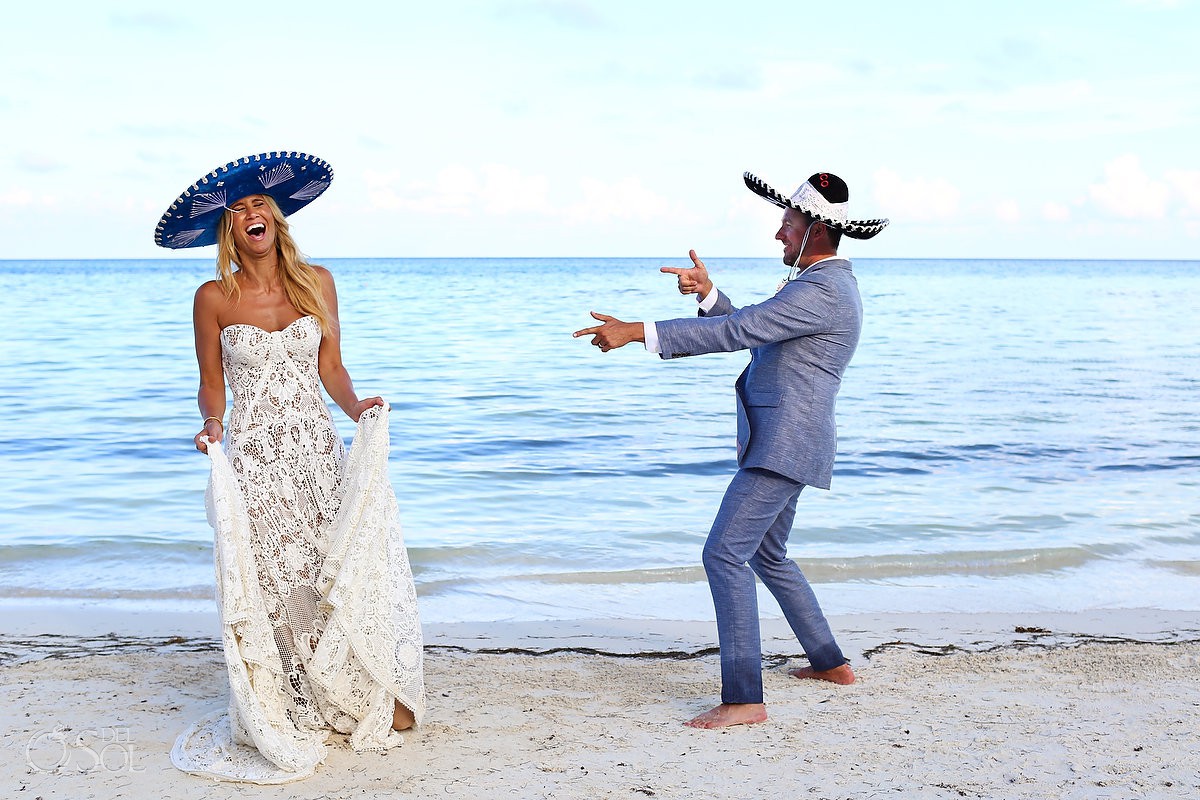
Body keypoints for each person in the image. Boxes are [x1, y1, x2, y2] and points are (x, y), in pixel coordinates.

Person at [573, 171, 888, 729]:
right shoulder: (822, 286)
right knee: (766, 555)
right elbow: (755, 331)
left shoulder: (821, 289)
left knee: (723, 554)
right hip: (790, 439)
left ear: (813, 228)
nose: (778, 235)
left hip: (784, 444)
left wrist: (637, 331)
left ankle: (744, 698)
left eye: (787, 224)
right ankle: (831, 663)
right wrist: (709, 295)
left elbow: (739, 334)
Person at [154, 151, 425, 782]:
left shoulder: (319, 281)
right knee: (273, 572)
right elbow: (210, 381)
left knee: (326, 560)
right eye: (238, 209)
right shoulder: (212, 298)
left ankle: (342, 686)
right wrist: (212, 425)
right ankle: (286, 698)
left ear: (275, 216)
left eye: (258, 204)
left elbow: (332, 368)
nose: (251, 212)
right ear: (229, 230)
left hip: (314, 449)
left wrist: (359, 408)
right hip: (253, 454)